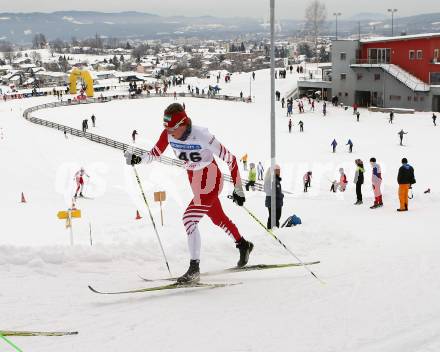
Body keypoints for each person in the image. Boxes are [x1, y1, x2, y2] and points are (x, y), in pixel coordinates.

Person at [124, 103, 253, 283]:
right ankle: (243, 244)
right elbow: (156, 152)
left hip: (211, 179)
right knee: (218, 218)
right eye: (166, 128)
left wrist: (238, 189)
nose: (169, 132)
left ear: (183, 124)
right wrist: (139, 158)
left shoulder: (202, 135)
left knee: (189, 219)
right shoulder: (168, 134)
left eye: (172, 128)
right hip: (194, 179)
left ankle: (194, 268)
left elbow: (230, 159)